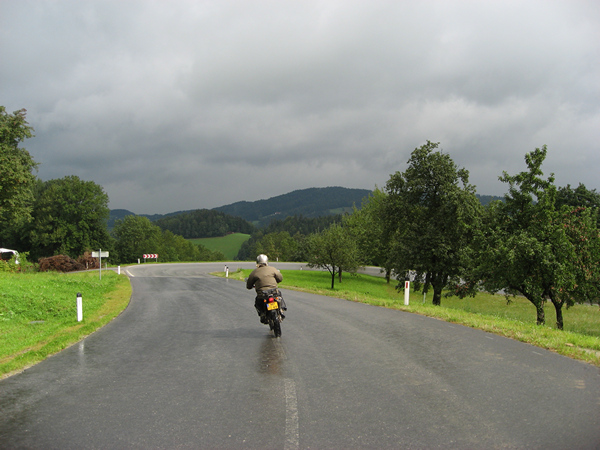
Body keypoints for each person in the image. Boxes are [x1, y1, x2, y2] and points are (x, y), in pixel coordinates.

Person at [246, 254, 283, 322]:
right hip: (274, 292)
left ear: (257, 262)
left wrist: (251, 286)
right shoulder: (272, 269)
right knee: (279, 295)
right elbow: (280, 278)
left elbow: (248, 285)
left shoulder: (254, 272)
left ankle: (263, 314)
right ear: (267, 261)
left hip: (262, 295)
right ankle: (281, 309)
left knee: (257, 302)